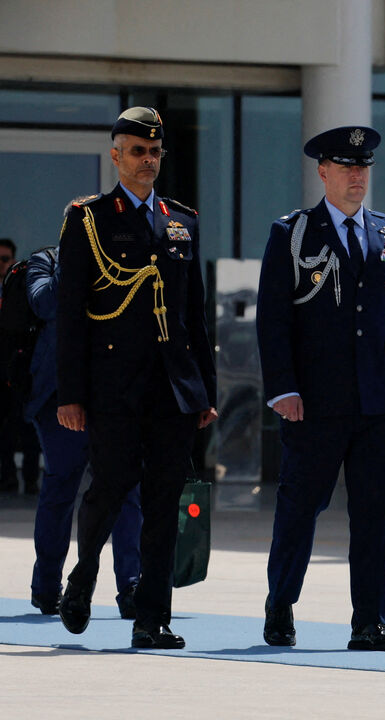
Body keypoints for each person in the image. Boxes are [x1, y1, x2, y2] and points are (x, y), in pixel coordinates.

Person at [55, 107, 218, 649]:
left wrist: (205, 392)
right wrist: (72, 394)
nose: (147, 160)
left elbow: (196, 314)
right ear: (116, 156)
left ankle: (153, 618)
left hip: (173, 386)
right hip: (114, 387)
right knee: (109, 487)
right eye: (137, 151)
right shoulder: (89, 219)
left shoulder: (182, 220)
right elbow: (71, 314)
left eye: (154, 152)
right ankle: (82, 579)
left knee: (164, 500)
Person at [257, 125, 385, 652]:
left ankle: (370, 622)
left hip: (379, 398)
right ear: (323, 172)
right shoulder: (292, 233)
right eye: (347, 167)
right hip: (315, 401)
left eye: (364, 167)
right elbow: (273, 319)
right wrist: (283, 387)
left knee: (376, 513)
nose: (357, 176)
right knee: (300, 507)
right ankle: (281, 606)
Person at [28, 201, 142, 618]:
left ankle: (131, 586)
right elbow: (46, 305)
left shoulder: (115, 263)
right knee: (61, 489)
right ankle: (46, 587)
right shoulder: (44, 262)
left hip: (113, 396)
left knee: (127, 491)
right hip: (59, 398)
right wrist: (73, 262)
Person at [0, 236, 42, 495]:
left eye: (5, 259)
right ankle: (7, 478)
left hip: (21, 365)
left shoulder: (21, 284)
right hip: (1, 366)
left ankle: (29, 479)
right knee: (4, 428)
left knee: (27, 426)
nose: (0, 265)